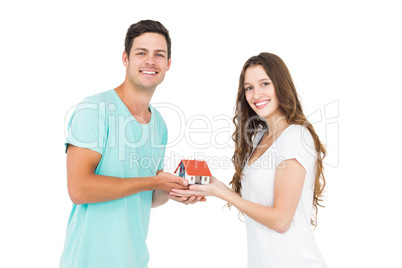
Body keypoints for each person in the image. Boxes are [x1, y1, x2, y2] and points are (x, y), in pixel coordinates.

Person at [60, 20, 204, 268]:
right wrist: (153, 181)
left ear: (168, 64)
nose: (151, 61)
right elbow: (79, 189)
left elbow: (147, 197)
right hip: (88, 261)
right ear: (125, 58)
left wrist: (170, 190)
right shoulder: (94, 109)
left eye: (159, 54)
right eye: (141, 53)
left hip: (134, 260)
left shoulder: (159, 124)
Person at [171, 52, 327, 267]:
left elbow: (281, 220)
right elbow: (259, 205)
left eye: (265, 84)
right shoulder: (261, 139)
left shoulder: (295, 136)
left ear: (281, 85)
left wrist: (222, 192)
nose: (256, 95)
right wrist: (214, 186)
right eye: (249, 87)